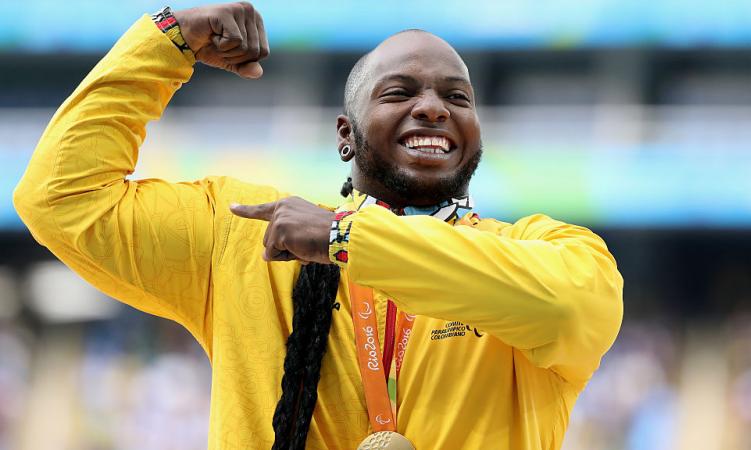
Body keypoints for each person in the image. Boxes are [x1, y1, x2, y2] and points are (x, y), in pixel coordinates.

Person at [13, 2, 624, 449]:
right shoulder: (248, 235)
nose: (434, 106)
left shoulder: (549, 251)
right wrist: (166, 41)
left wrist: (344, 238)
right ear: (345, 137)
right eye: (399, 92)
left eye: (457, 98)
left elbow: (569, 310)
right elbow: (62, 197)